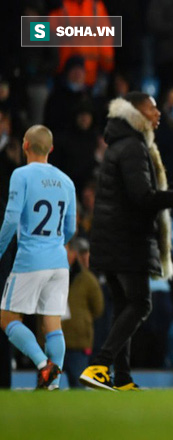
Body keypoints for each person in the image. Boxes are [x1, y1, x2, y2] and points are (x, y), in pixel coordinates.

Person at [80, 92, 173, 391]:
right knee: (140, 304)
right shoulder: (133, 147)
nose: (158, 113)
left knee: (123, 307)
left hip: (111, 238)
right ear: (137, 113)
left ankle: (123, 377)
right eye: (153, 108)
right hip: (127, 241)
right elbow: (142, 197)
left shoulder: (120, 144)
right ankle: (100, 365)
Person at [0, 125, 77, 390]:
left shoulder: (21, 175)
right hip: (59, 261)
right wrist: (56, 245)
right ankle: (53, 387)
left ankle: (44, 365)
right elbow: (70, 228)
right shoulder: (67, 181)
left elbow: (11, 218)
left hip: (30, 259)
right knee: (52, 323)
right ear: (51, 149)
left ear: (25, 146)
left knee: (7, 318)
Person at [61, 237, 104, 388]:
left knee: (78, 388)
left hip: (78, 342)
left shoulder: (87, 279)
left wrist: (82, 321)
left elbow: (98, 308)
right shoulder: (49, 274)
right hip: (52, 340)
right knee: (46, 388)